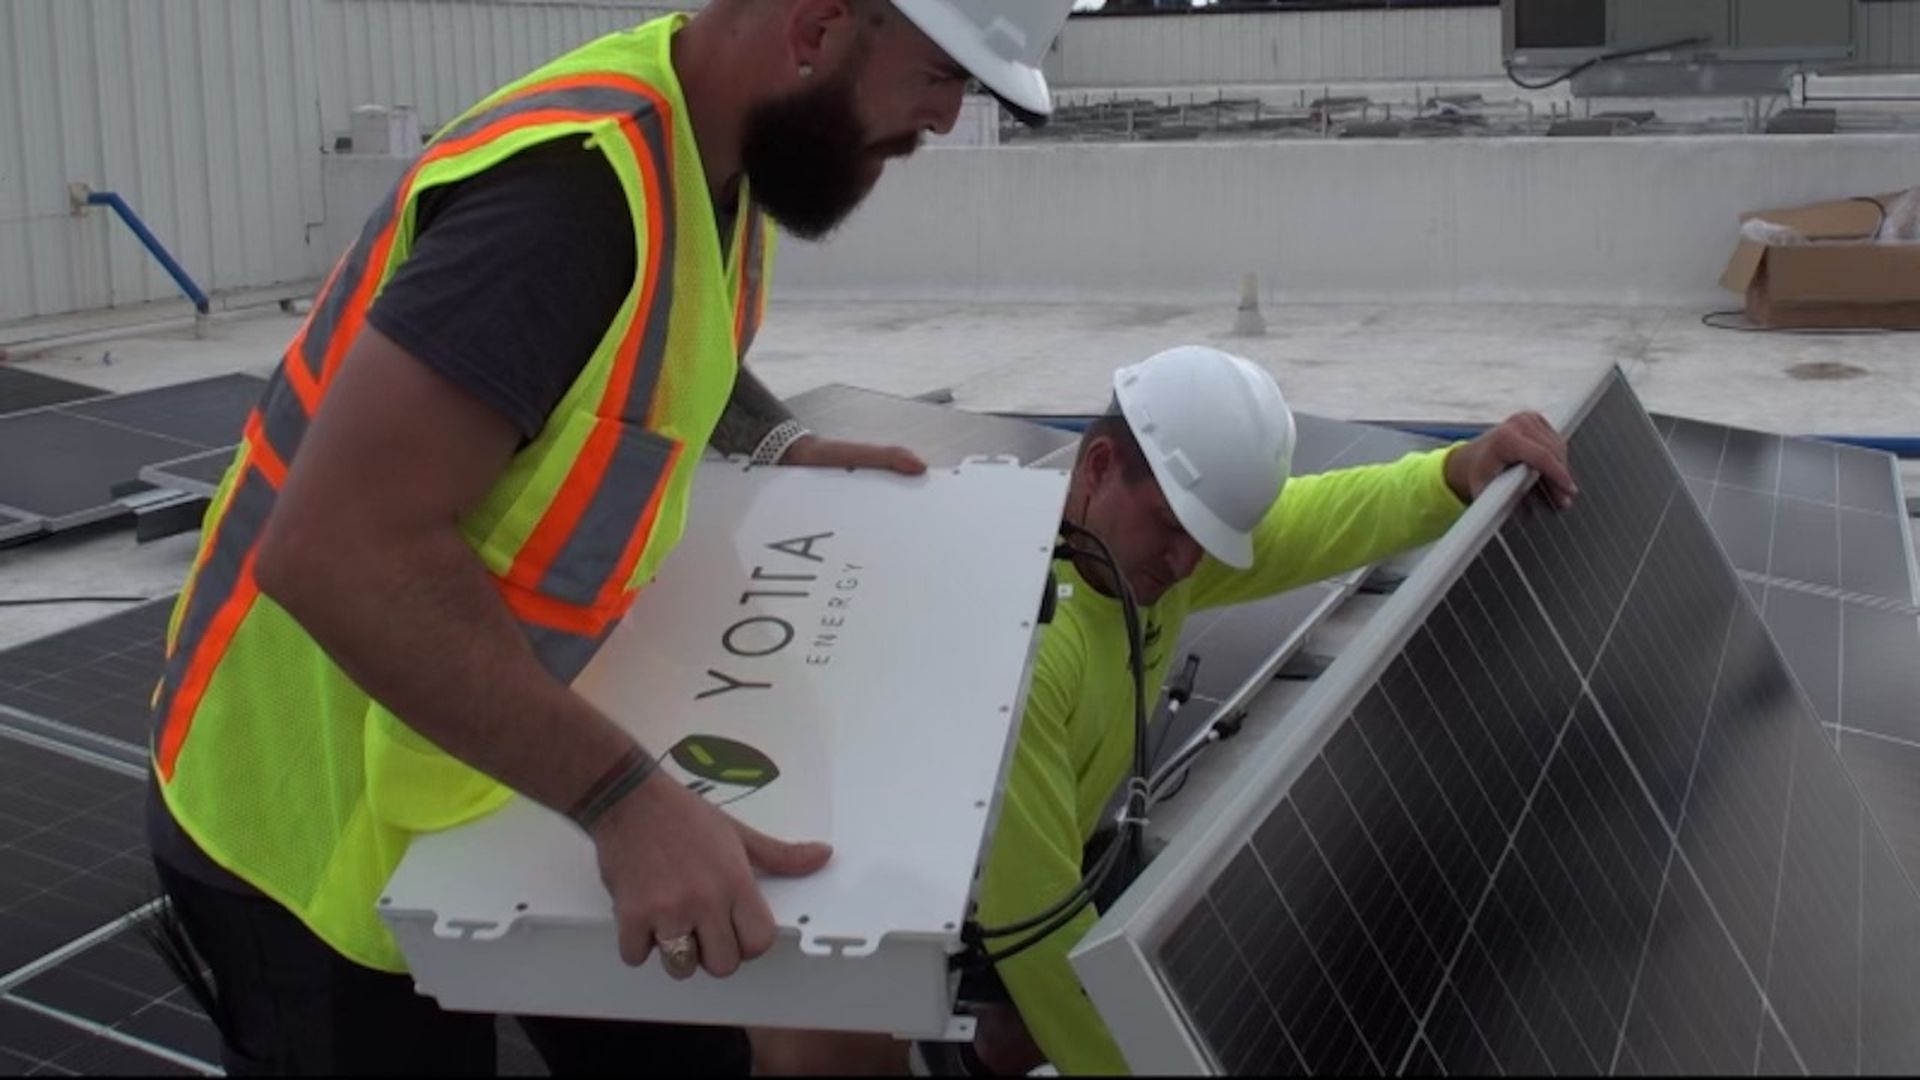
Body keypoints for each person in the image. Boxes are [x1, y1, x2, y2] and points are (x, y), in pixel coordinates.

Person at [143, 1, 1076, 1075]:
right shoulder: (568, 203)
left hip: (505, 762)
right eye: (941, 76)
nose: (946, 119)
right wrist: (622, 801)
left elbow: (642, 342)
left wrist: (774, 441)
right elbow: (335, 553)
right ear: (818, 29)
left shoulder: (715, 154)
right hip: (306, 823)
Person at [751, 345, 1578, 1077]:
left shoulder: (1132, 556)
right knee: (843, 1054)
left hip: (1010, 867)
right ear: (1099, 465)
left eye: (1207, 543)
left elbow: (1311, 520)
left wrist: (1453, 471)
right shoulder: (1021, 648)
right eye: (1173, 528)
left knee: (1140, 947)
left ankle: (977, 1054)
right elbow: (1035, 931)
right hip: (877, 892)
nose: (1187, 565)